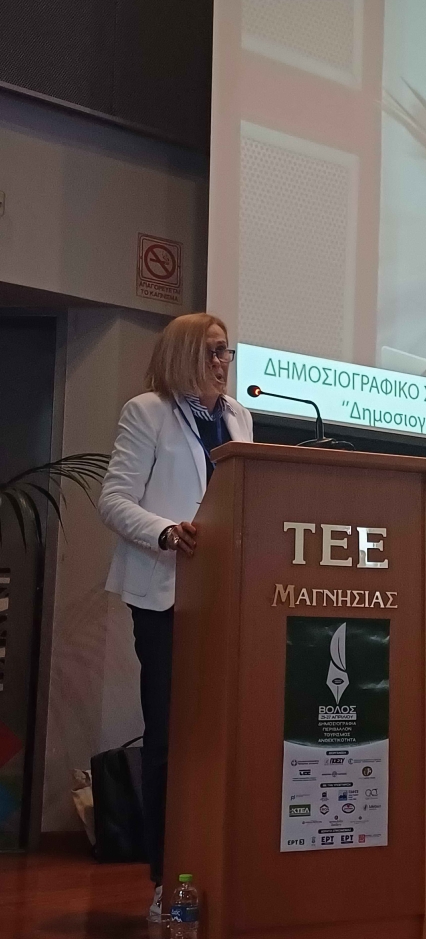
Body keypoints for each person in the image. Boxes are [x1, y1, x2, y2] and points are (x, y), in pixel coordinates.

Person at [98, 313, 253, 922]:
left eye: (226, 352)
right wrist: (165, 531)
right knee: (168, 737)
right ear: (185, 354)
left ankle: (218, 867)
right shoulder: (147, 412)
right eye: (212, 352)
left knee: (221, 737)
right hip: (165, 594)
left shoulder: (238, 417)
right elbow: (113, 499)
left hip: (227, 597)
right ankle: (168, 877)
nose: (222, 363)